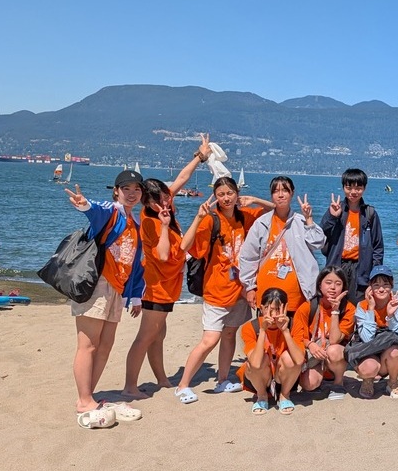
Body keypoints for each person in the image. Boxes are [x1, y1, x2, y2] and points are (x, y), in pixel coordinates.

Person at [123, 138, 212, 398]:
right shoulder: (150, 221)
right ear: (146, 202)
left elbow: (182, 178)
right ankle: (130, 386)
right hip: (156, 286)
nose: (164, 202)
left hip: (169, 284)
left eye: (165, 196)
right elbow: (162, 255)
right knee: (145, 336)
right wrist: (164, 225)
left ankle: (162, 379)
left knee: (158, 334)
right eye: (158, 200)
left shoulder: (164, 202)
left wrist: (200, 157)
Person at [173, 176, 270, 404]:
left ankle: (222, 380)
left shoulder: (244, 216)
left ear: (237, 194)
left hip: (240, 290)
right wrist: (198, 217)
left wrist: (255, 199)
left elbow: (276, 211)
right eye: (221, 194)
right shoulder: (211, 220)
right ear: (215, 197)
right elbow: (185, 246)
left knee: (229, 335)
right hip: (216, 290)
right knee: (210, 339)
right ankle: (183, 385)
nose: (226, 198)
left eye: (229, 193)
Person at [63, 170, 147, 426]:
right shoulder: (112, 212)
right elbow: (95, 211)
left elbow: (135, 263)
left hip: (118, 289)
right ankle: (84, 400)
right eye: (126, 188)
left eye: (136, 189)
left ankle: (89, 394)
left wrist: (135, 296)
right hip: (97, 284)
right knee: (88, 344)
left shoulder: (135, 223)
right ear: (116, 191)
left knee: (105, 344)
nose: (131, 193)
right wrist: (84, 205)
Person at [240, 176, 325, 317]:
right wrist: (249, 288)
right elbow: (248, 257)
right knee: (267, 330)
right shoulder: (261, 223)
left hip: (296, 296)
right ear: (271, 195)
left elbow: (318, 243)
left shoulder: (301, 221)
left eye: (285, 190)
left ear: (292, 193)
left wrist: (309, 219)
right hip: (266, 294)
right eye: (276, 191)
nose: (280, 195)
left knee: (295, 330)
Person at [237, 288, 306, 415]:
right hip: (260, 378)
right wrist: (263, 331)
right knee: (255, 361)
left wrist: (285, 331)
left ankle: (285, 395)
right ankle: (262, 396)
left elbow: (299, 360)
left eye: (278, 309)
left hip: (284, 378)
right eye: (269, 309)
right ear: (262, 308)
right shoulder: (250, 327)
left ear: (286, 308)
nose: (274, 315)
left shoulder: (294, 325)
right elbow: (255, 364)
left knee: (289, 358)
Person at [320, 168, 384, 303]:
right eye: (349, 188)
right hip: (338, 266)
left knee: (358, 307)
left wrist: (375, 275)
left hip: (361, 270)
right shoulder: (337, 209)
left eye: (358, 188)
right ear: (343, 187)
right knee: (335, 305)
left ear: (364, 188)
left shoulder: (370, 214)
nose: (353, 192)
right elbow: (321, 235)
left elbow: (378, 247)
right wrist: (332, 216)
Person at [293, 267, 356, 400]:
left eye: (338, 284)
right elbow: (297, 336)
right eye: (328, 282)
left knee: (334, 349)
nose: (333, 287)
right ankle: (321, 376)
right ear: (319, 285)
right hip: (315, 354)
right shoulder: (308, 307)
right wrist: (310, 344)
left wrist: (335, 311)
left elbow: (334, 340)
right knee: (309, 384)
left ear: (344, 288)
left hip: (335, 355)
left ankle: (338, 382)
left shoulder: (349, 308)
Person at [348, 266, 398, 399]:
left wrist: (390, 316)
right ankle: (368, 380)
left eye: (385, 284)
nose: (381, 289)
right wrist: (371, 308)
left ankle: (392, 381)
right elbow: (367, 339)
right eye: (376, 285)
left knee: (397, 351)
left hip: (388, 351)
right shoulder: (362, 306)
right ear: (370, 287)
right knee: (368, 368)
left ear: (392, 285)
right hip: (369, 351)